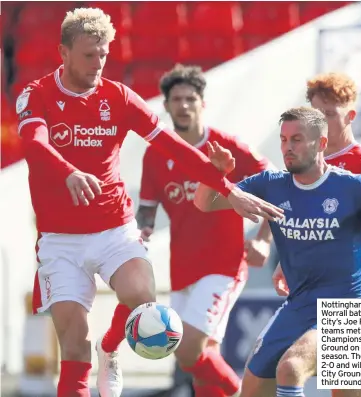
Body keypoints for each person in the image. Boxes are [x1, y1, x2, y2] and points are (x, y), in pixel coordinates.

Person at [16, 8, 283, 397]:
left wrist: (228, 188)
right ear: (63, 52)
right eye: (89, 54)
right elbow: (35, 144)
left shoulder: (119, 96)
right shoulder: (36, 94)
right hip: (60, 240)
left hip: (113, 229)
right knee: (74, 346)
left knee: (142, 300)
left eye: (104, 55)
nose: (98, 63)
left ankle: (110, 349)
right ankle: (93, 355)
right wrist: (68, 172)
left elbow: (173, 144)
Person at [193, 106, 361, 397]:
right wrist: (213, 173)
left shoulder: (353, 186)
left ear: (321, 144)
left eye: (297, 139)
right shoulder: (271, 185)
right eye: (284, 139)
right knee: (251, 389)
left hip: (348, 311)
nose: (287, 147)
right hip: (298, 305)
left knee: (291, 368)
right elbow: (205, 203)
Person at [99, 64, 273, 397]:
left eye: (190, 98)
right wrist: (142, 229)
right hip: (181, 270)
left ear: (202, 103)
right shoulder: (155, 156)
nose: (183, 105)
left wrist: (263, 240)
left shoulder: (228, 147)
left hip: (223, 266)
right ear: (165, 106)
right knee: (204, 360)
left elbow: (277, 187)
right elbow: (148, 207)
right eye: (176, 99)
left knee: (187, 349)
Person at [271, 72, 361, 397]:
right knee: (275, 372)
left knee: (312, 378)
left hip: (351, 298)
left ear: (350, 116)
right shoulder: (302, 164)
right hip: (307, 295)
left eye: (329, 115)